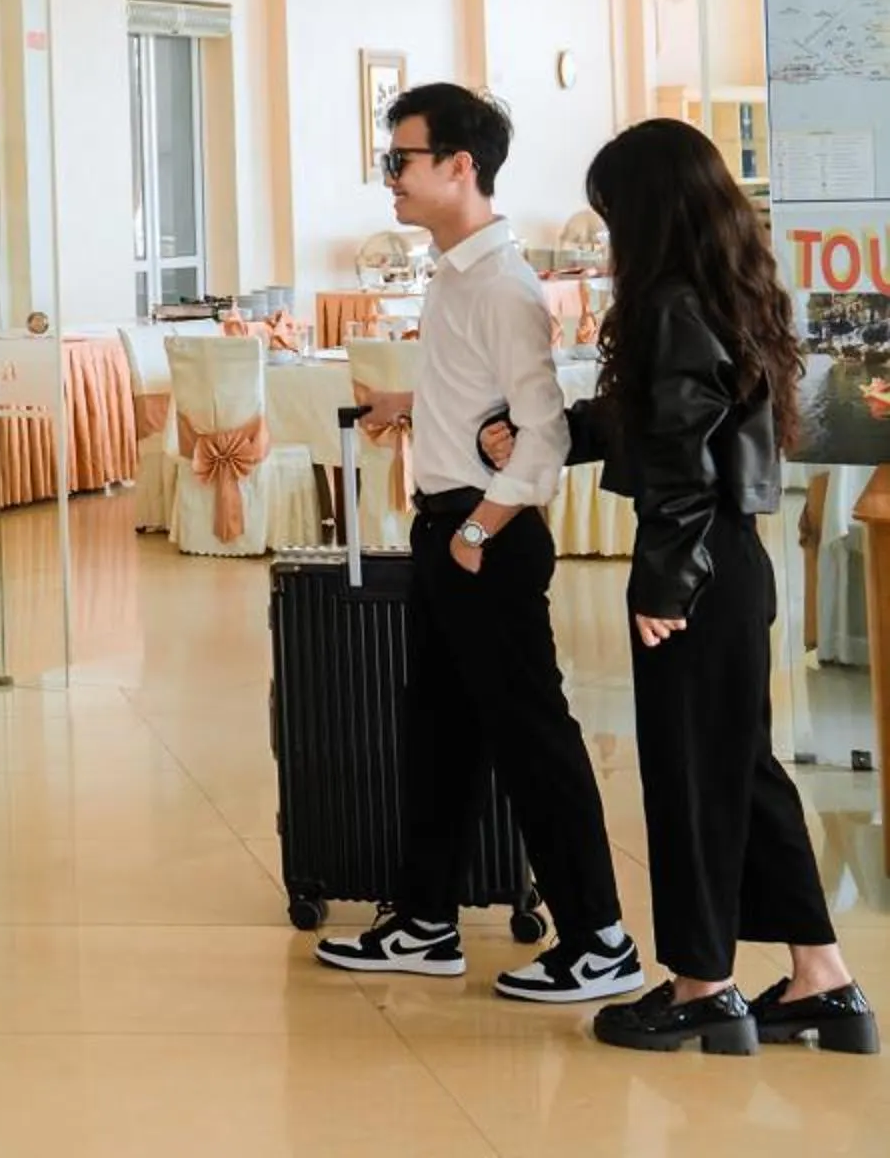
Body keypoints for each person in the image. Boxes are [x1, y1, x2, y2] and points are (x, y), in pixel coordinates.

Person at [481, 120, 872, 1054]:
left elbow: (685, 470)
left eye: (614, 211)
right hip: (734, 564)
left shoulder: (669, 307)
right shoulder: (729, 295)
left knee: (693, 777)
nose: (610, 232)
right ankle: (825, 980)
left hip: (693, 570)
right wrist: (563, 434)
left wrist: (663, 584)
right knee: (741, 771)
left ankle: (703, 983)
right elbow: (665, 424)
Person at [313, 84, 637, 1002]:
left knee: (533, 736)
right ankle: (425, 921)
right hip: (452, 528)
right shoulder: (457, 274)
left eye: (401, 162)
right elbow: (475, 396)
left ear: (461, 165)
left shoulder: (502, 283)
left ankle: (600, 938)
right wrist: (405, 408)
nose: (391, 182)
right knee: (440, 734)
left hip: (479, 535)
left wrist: (476, 530)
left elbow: (543, 432)